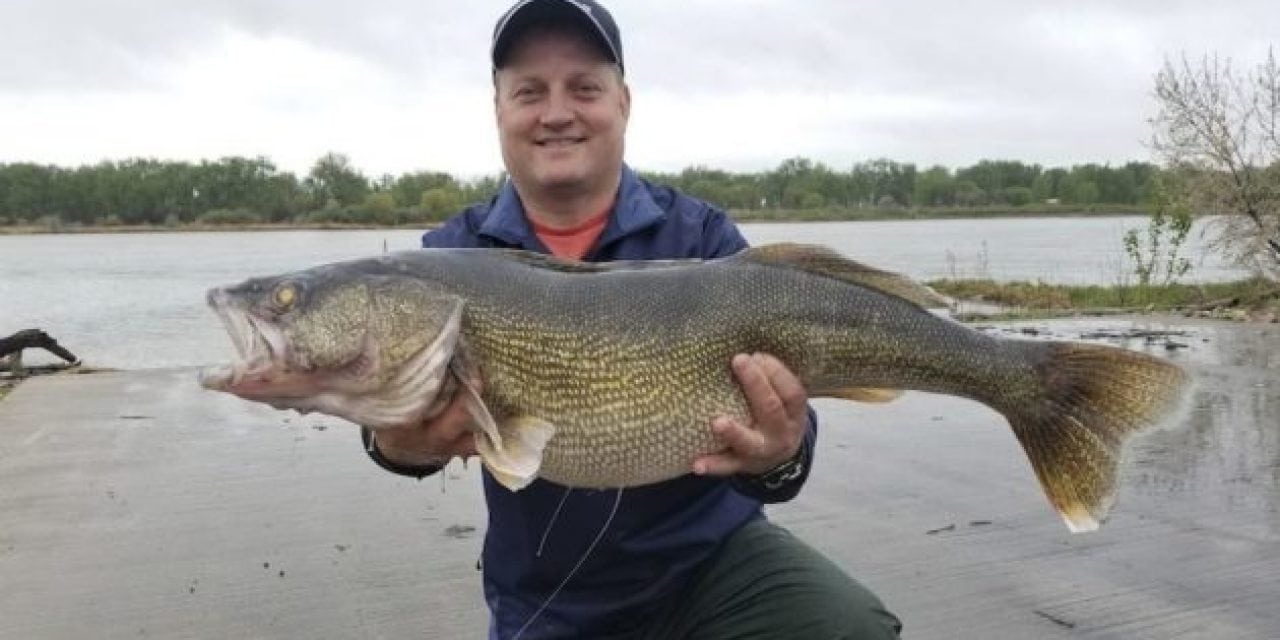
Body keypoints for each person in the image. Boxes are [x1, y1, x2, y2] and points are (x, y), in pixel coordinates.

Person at [361, 1, 902, 637]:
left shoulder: (701, 237)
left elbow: (789, 454)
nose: (557, 112)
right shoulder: (453, 257)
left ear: (623, 102)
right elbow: (391, 420)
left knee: (848, 627)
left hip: (712, 567)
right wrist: (394, 445)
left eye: (584, 88)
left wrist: (779, 453)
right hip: (551, 600)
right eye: (530, 91)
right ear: (499, 110)